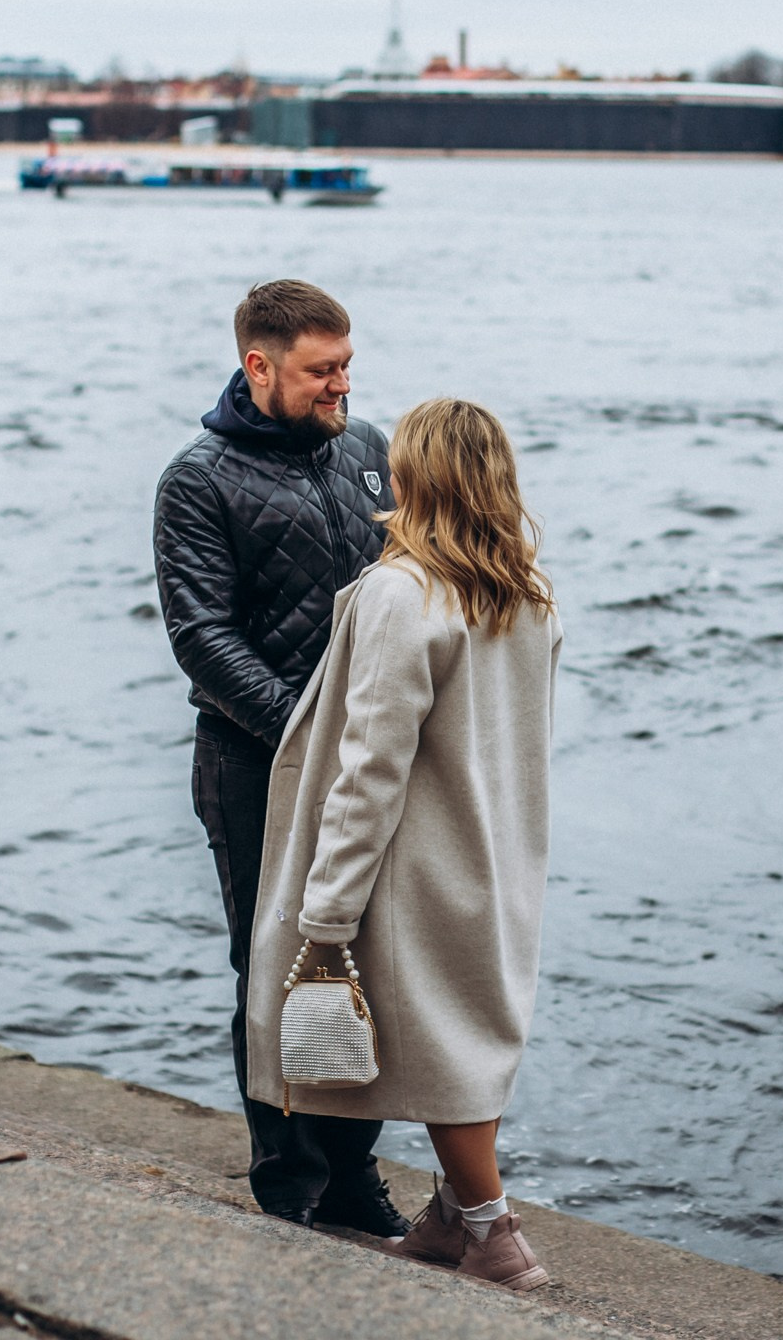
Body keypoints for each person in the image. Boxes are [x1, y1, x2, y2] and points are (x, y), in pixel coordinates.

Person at [247, 398, 562, 1291]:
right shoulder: (527, 594)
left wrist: (327, 910)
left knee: (440, 1052)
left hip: (412, 863)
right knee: (464, 1038)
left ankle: (496, 1237)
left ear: (410, 478)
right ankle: (449, 1218)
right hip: (496, 851)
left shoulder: (403, 591)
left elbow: (372, 762)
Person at [152, 280, 409, 1236]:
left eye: (347, 364)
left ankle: (354, 1176)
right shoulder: (198, 478)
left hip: (365, 761)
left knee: (363, 960)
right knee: (271, 966)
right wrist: (306, 731)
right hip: (252, 761)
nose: (342, 383)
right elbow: (202, 637)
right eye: (321, 370)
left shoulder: (371, 452)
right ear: (260, 366)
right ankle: (288, 1183)